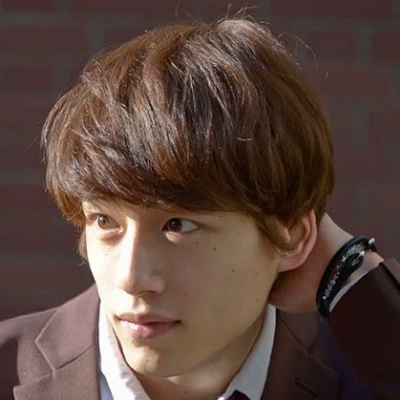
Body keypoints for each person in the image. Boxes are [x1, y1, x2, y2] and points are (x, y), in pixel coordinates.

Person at [0, 17, 399, 400]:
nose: (131, 278)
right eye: (105, 221)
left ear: (292, 235)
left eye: (178, 224)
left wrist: (349, 271)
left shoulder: (362, 375)